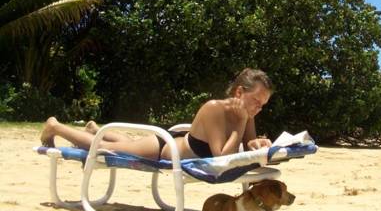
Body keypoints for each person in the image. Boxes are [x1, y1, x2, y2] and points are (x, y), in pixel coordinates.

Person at [40, 68, 274, 160]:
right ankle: (56, 126)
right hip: (164, 148)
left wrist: (257, 142)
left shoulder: (247, 113)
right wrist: (243, 121)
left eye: (262, 104)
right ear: (239, 92)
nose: (258, 108)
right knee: (110, 150)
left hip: (174, 142)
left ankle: (94, 128)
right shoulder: (215, 109)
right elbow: (222, 157)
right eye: (256, 101)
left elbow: (247, 142)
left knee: (132, 143)